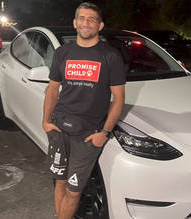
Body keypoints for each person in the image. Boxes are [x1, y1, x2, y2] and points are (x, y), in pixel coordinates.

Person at [42, 2, 126, 219]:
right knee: (59, 181)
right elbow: (52, 90)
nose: (85, 23)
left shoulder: (110, 56)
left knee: (73, 190)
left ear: (100, 26)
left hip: (87, 135)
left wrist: (104, 133)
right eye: (81, 18)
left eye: (91, 19)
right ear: (74, 22)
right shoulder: (63, 52)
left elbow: (118, 99)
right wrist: (46, 121)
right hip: (59, 129)